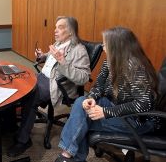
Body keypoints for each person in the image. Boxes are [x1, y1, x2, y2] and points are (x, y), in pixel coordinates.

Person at [55, 26, 158, 162]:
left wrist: (106, 112)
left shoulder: (135, 67)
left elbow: (144, 104)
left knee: (81, 119)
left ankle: (67, 156)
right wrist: (91, 98)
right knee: (82, 103)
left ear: (117, 47)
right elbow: (98, 86)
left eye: (105, 44)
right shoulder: (109, 62)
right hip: (115, 107)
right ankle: (69, 156)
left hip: (136, 120)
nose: (103, 47)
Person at [7, 16, 91, 157]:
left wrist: (63, 61)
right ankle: (8, 125)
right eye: (55, 27)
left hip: (56, 84)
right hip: (42, 77)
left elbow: (83, 77)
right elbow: (50, 57)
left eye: (60, 27)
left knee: (30, 96)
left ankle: (23, 140)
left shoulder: (79, 50)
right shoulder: (59, 43)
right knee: (13, 83)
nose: (55, 30)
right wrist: (41, 56)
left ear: (70, 31)